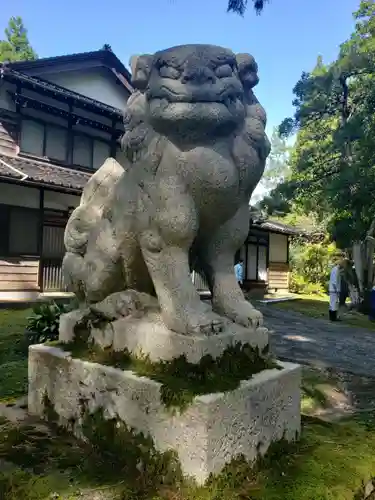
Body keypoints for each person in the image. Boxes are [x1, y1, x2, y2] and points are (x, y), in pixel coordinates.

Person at [329, 257, 344, 321]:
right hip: (334, 289)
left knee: (332, 303)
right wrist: (336, 291)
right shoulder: (336, 270)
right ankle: (333, 318)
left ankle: (332, 317)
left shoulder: (334, 269)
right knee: (334, 303)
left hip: (333, 289)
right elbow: (335, 281)